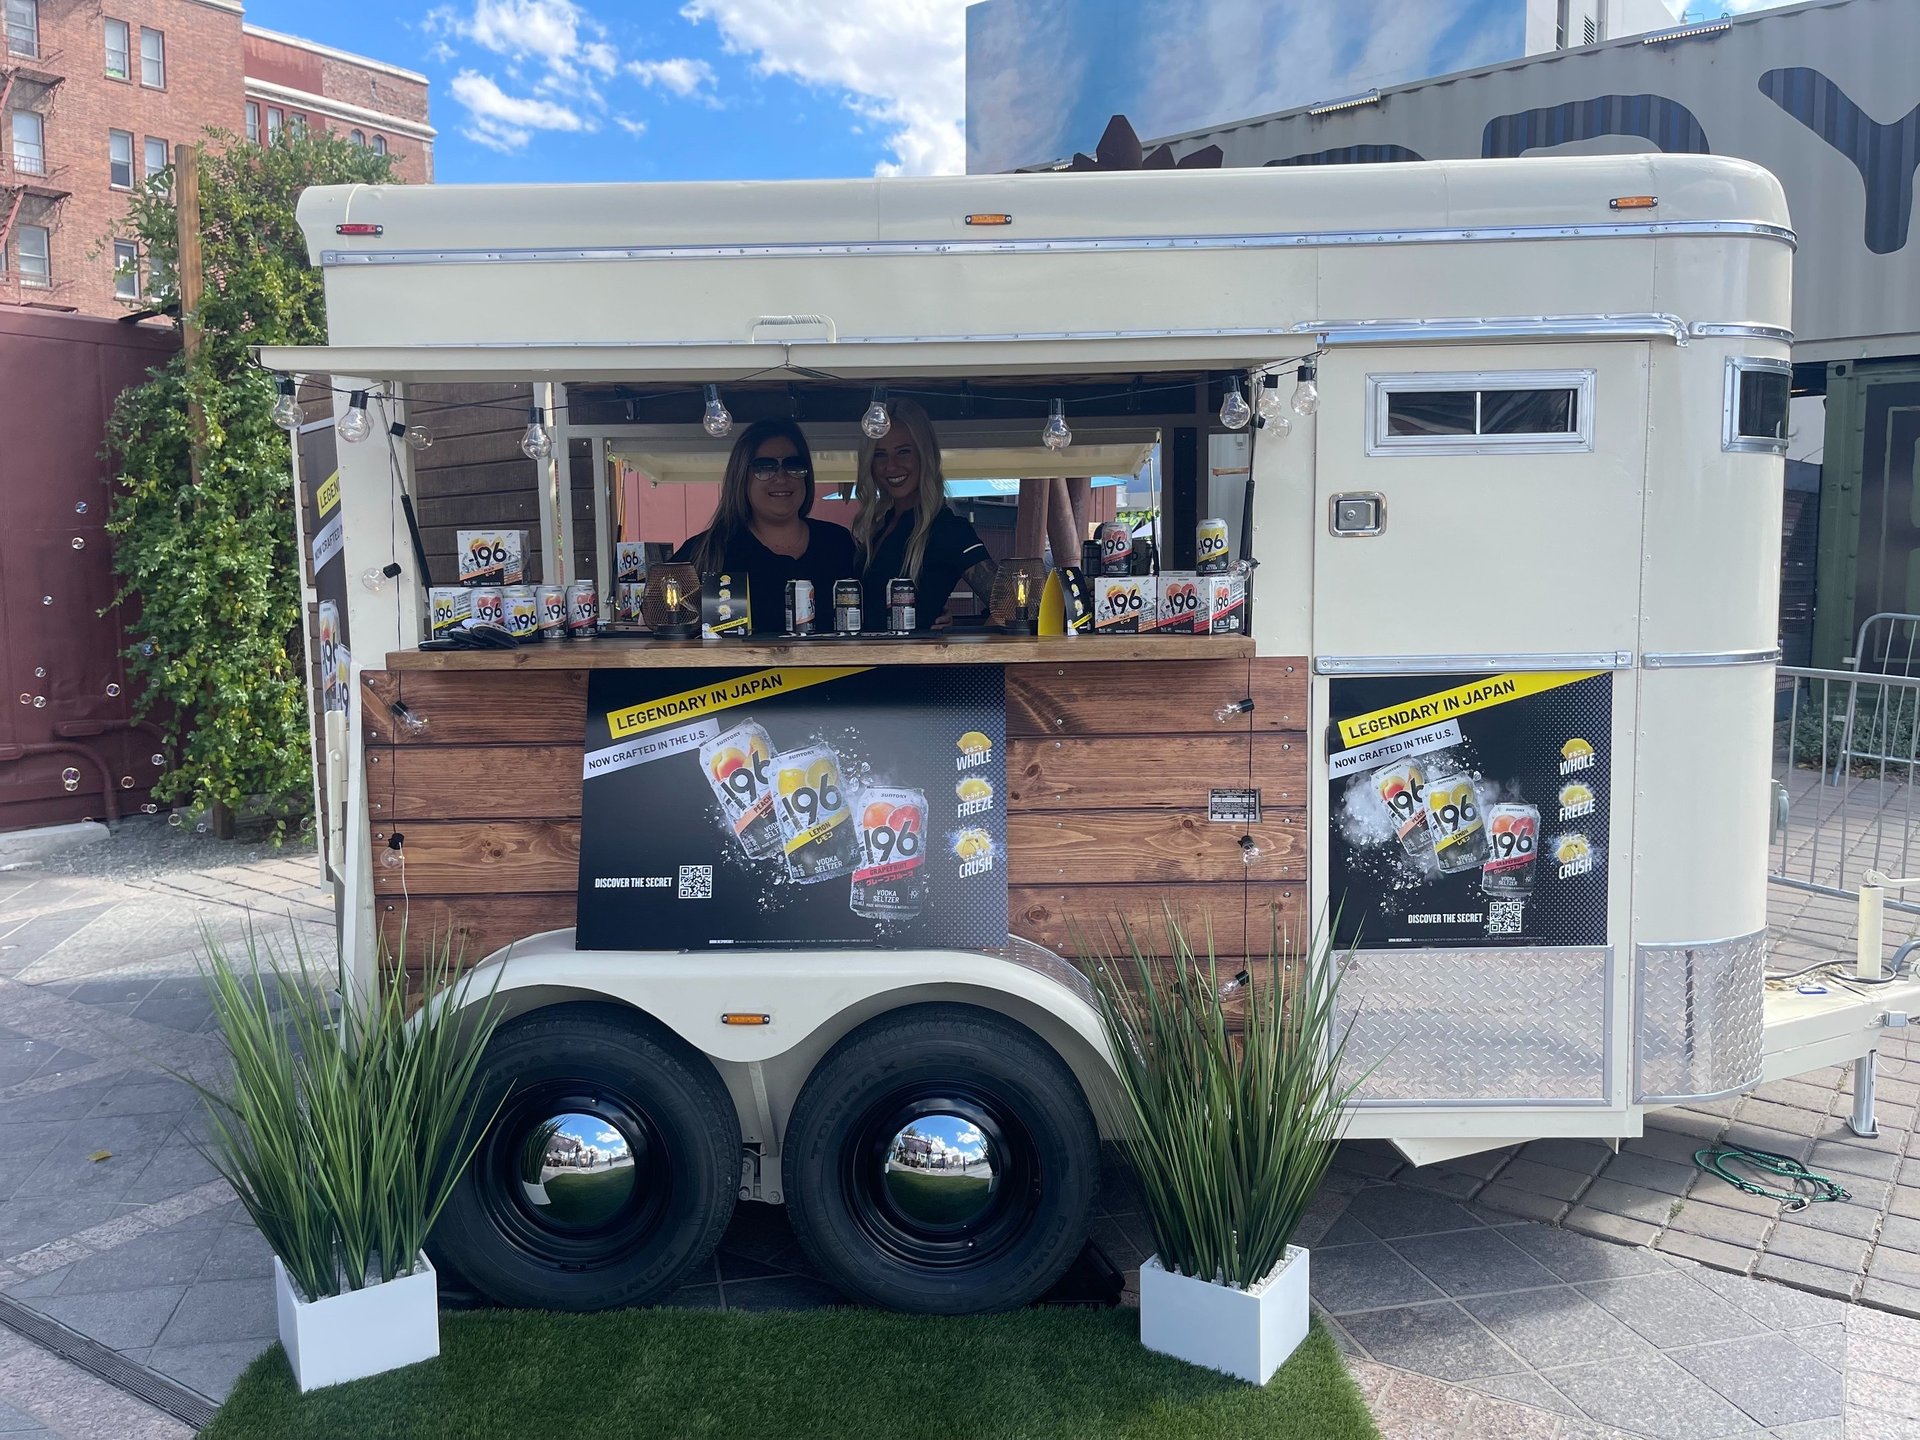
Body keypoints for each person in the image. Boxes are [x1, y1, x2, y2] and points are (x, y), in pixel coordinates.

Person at [672, 418, 857, 634]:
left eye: (793, 465)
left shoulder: (838, 543)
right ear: (741, 476)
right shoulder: (709, 550)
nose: (781, 478)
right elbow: (659, 627)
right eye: (765, 467)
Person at [852, 396, 994, 631]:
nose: (891, 466)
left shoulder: (947, 529)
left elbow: (1014, 608)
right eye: (880, 454)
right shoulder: (877, 527)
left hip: (912, 667)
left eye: (903, 451)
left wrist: (962, 645)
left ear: (924, 455)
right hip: (859, 665)